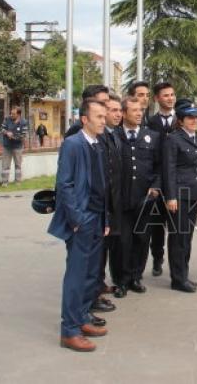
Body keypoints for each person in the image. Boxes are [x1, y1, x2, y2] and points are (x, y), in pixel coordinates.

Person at [47, 98, 111, 352]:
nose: (103, 121)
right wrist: (76, 220)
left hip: (98, 218)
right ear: (85, 119)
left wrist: (105, 219)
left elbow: (101, 185)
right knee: (76, 276)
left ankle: (82, 318)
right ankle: (69, 331)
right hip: (81, 221)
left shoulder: (99, 144)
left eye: (104, 117)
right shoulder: (73, 144)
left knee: (90, 274)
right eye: (98, 117)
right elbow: (65, 184)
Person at [111, 95, 161, 297]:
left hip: (145, 199)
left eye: (141, 110)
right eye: (134, 110)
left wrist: (156, 187)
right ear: (123, 113)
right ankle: (121, 280)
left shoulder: (153, 136)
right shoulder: (113, 135)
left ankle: (136, 277)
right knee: (121, 242)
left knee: (141, 239)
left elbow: (159, 166)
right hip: (120, 199)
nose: (139, 113)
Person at [162, 98, 197, 293]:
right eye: (190, 117)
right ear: (180, 120)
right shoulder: (173, 139)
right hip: (179, 196)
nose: (194, 120)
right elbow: (169, 169)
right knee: (178, 238)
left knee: (186, 237)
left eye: (196, 117)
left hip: (194, 195)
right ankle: (178, 279)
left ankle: (183, 274)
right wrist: (170, 196)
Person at [95, 94, 123, 312]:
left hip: (113, 204)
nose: (117, 114)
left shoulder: (114, 135)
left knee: (103, 253)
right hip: (99, 207)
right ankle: (91, 299)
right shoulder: (97, 138)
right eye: (113, 110)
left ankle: (98, 289)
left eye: (119, 110)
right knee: (95, 256)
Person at [146, 81, 177, 277]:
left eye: (172, 94)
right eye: (165, 95)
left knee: (177, 227)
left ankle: (178, 265)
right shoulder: (150, 122)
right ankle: (157, 258)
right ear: (157, 99)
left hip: (177, 182)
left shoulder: (182, 120)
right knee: (156, 226)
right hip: (157, 181)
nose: (170, 98)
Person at [0, 106, 28, 186]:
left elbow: (23, 135)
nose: (11, 115)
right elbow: (1, 129)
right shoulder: (7, 119)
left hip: (18, 147)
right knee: (5, 165)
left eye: (13, 114)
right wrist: (6, 132)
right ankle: (4, 182)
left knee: (18, 165)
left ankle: (18, 181)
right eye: (11, 113)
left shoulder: (24, 122)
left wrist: (13, 136)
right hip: (7, 146)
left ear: (18, 114)